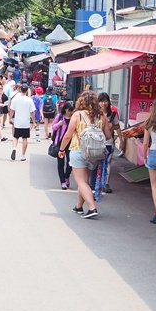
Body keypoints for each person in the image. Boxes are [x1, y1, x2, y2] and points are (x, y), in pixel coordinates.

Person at [57, 90, 103, 218]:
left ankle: (92, 208)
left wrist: (61, 150)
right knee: (85, 181)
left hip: (78, 150)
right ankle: (78, 206)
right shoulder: (100, 116)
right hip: (94, 152)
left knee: (81, 182)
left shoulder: (78, 115)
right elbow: (108, 135)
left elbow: (68, 135)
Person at [93, 92, 121, 196]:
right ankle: (96, 182)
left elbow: (117, 126)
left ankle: (106, 183)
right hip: (96, 142)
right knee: (97, 162)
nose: (104, 103)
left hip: (108, 142)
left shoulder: (112, 114)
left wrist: (110, 127)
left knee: (108, 162)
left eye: (106, 101)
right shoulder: (94, 114)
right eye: (101, 101)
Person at [8, 82, 35, 160]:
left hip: (17, 122)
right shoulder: (29, 100)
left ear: (20, 90)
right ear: (27, 91)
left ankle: (14, 148)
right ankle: (23, 155)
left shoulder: (15, 99)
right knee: (25, 139)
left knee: (15, 137)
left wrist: (10, 118)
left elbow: (12, 110)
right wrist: (33, 122)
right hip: (25, 122)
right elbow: (32, 112)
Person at [51, 101, 74, 189]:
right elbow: (53, 127)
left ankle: (66, 176)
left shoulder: (74, 118)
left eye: (72, 110)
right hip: (60, 143)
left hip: (71, 143)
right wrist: (58, 124)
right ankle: (63, 182)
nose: (70, 112)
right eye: (69, 110)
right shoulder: (60, 117)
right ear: (65, 109)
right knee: (60, 163)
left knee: (70, 162)